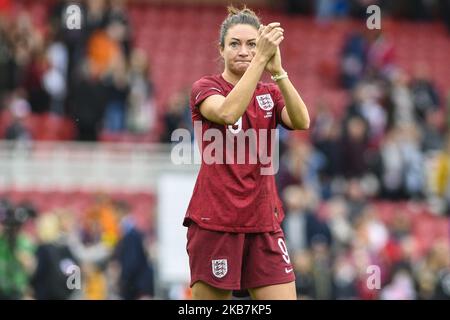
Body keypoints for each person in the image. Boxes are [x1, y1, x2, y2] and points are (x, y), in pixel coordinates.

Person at [183, 6, 310, 300]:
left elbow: (302, 121)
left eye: (252, 44)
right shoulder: (205, 87)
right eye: (235, 44)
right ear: (221, 49)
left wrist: (277, 70)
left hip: (264, 222)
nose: (244, 51)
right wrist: (260, 60)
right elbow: (228, 112)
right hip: (215, 223)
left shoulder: (270, 92)